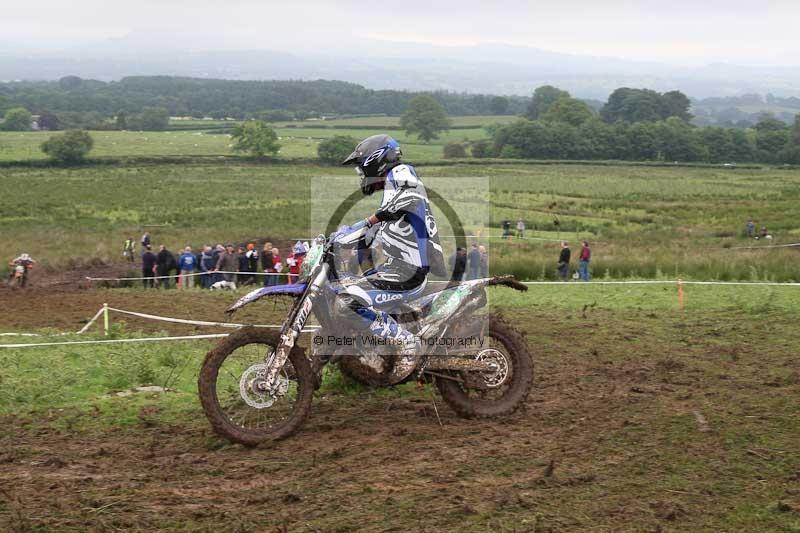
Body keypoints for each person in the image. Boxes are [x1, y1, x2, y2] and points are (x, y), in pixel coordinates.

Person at [334, 134, 445, 383]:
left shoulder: (401, 173)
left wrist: (372, 220)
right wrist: (341, 238)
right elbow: (372, 230)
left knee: (349, 303)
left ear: (375, 160)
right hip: (395, 268)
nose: (359, 173)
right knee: (346, 288)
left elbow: (411, 198)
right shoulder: (389, 191)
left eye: (361, 166)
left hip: (409, 272)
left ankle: (407, 344)